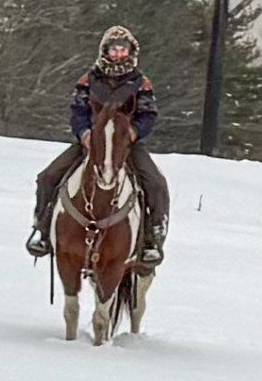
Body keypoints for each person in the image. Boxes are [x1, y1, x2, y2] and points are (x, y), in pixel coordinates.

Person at [26, 25, 171, 265]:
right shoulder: (88, 79)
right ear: (105, 51)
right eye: (114, 50)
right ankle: (42, 228)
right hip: (91, 142)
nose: (118, 55)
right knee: (48, 176)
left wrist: (133, 133)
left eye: (123, 50)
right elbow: (78, 111)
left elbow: (148, 115)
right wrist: (84, 134)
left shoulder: (140, 83)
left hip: (126, 144)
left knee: (155, 182)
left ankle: (152, 237)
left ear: (131, 52)